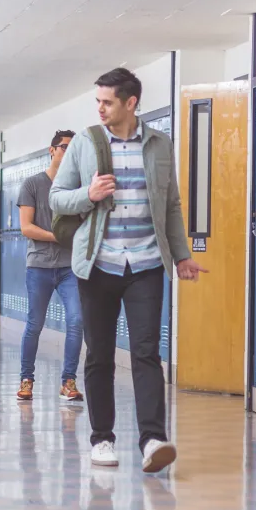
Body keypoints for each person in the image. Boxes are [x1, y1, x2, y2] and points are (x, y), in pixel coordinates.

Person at [49, 68, 208, 473]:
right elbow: (57, 198)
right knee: (99, 355)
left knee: (146, 353)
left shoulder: (158, 145)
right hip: (97, 264)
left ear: (130, 103)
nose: (100, 108)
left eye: (107, 101)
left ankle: (153, 439)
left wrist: (182, 254)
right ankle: (102, 439)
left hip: (146, 263)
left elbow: (170, 204)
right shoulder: (85, 142)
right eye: (97, 101)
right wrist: (88, 194)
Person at [16, 129, 84, 402]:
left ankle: (68, 381)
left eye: (74, 148)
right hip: (40, 266)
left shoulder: (78, 187)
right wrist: (57, 237)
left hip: (71, 267)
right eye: (65, 147)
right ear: (52, 150)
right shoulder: (32, 185)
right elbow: (26, 227)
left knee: (77, 321)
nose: (69, 152)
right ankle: (26, 379)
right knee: (35, 323)